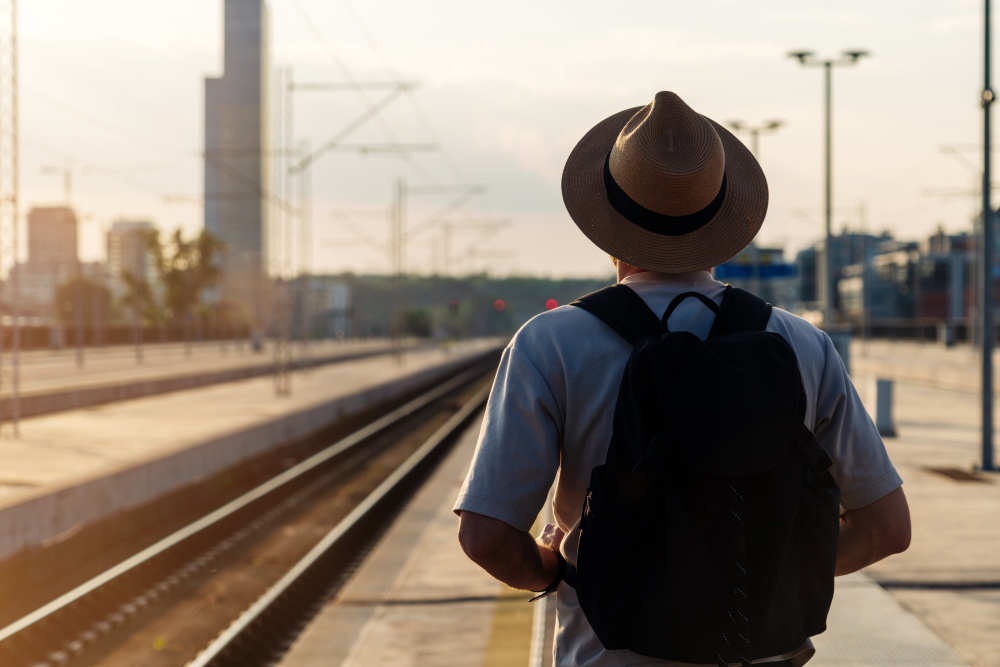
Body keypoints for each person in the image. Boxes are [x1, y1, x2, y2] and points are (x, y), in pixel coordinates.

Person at [454, 91, 911, 666]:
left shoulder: (552, 344)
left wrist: (557, 570)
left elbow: (486, 537)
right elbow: (887, 527)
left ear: (605, 221)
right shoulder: (800, 344)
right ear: (722, 217)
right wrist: (770, 573)